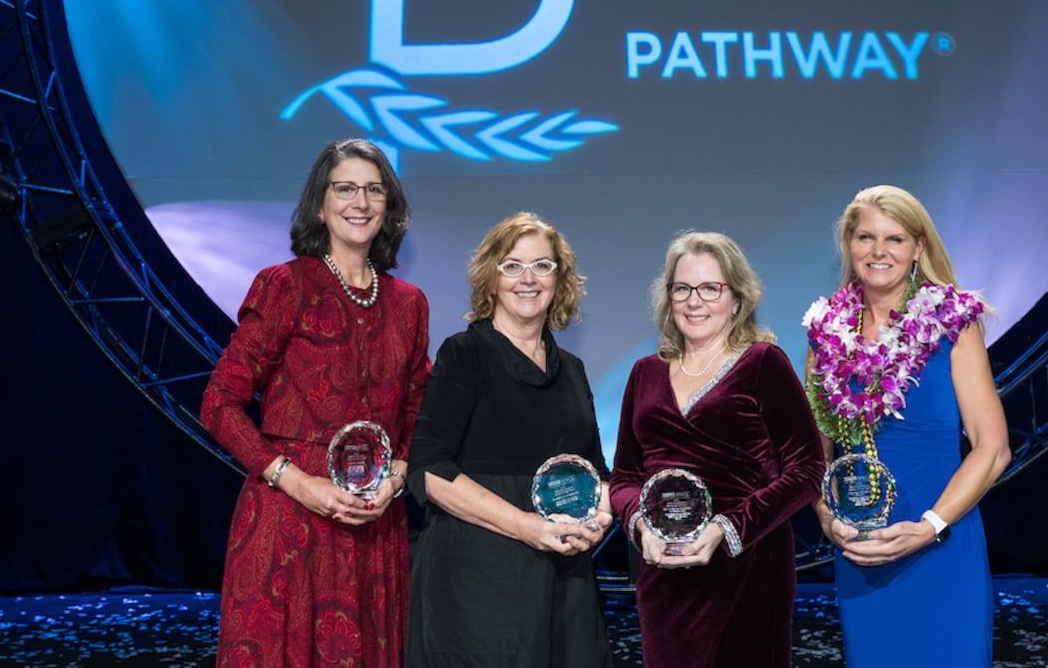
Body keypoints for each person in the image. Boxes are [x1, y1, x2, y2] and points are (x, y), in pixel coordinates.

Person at [201, 138, 431, 668]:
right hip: (290, 524)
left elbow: (421, 408)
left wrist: (397, 476)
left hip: (375, 522)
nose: (361, 201)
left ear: (389, 207)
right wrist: (297, 482)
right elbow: (219, 403)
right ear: (320, 205)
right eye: (345, 188)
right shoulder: (285, 286)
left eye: (374, 190)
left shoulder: (408, 303)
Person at [804, 185, 1011, 668]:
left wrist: (929, 527)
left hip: (941, 538)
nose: (878, 252)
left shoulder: (953, 322)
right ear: (848, 245)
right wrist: (826, 517)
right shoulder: (824, 332)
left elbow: (993, 447)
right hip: (864, 547)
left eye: (894, 239)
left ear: (918, 247)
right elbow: (813, 454)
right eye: (865, 237)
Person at [406, 212, 614, 667]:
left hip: (565, 580)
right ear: (491, 277)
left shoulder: (573, 369)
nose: (528, 278)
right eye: (512, 265)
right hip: (478, 584)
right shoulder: (464, 354)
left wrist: (598, 519)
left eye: (543, 265)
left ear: (559, 280)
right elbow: (429, 470)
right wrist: (527, 527)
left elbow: (598, 472)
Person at [609, 232, 827, 668]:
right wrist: (641, 527)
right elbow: (625, 477)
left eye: (711, 288)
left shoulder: (764, 362)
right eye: (683, 288)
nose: (695, 301)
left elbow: (808, 469)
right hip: (664, 572)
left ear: (737, 298)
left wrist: (727, 530)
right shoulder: (644, 373)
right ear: (667, 296)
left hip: (748, 566)